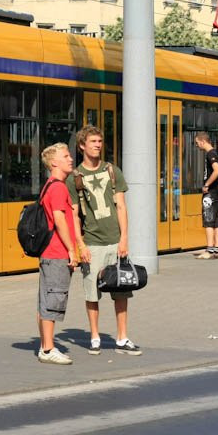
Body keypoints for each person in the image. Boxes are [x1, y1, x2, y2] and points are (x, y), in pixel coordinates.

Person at [72, 126, 141, 357]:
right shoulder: (75, 177)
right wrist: (80, 245)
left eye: (100, 141)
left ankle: (122, 337)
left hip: (114, 242)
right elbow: (73, 215)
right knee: (92, 292)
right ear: (82, 145)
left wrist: (124, 239)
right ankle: (94, 337)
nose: (98, 145)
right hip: (91, 242)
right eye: (92, 141)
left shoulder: (113, 171)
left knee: (122, 290)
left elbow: (121, 206)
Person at [36, 142, 78, 365]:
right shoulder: (59, 187)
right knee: (54, 300)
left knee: (45, 300)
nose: (70, 159)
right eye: (65, 156)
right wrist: (72, 249)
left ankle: (45, 346)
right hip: (57, 252)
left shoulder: (48, 185)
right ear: (54, 163)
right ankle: (48, 348)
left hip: (48, 252)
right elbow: (59, 219)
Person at [194, 132, 218, 259]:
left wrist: (206, 185)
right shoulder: (215, 153)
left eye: (197, 143)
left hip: (210, 193)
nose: (197, 145)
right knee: (216, 220)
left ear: (202, 141)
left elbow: (217, 171)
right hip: (216, 192)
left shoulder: (210, 154)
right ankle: (216, 250)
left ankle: (209, 250)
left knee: (208, 220)